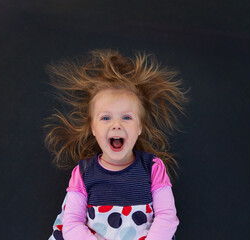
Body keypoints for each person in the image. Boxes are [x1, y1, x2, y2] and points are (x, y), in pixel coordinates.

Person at [46, 49, 188, 240]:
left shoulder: (153, 168)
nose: (116, 125)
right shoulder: (83, 173)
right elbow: (71, 223)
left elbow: (167, 217)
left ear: (140, 127)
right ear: (93, 128)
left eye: (126, 117)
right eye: (105, 117)